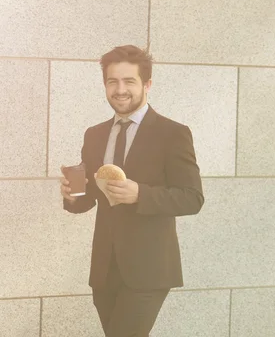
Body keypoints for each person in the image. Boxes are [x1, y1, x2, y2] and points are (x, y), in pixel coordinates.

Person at [60, 45, 204, 337]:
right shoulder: (95, 134)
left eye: (129, 81)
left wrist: (141, 194)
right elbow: (87, 199)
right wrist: (71, 195)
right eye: (112, 81)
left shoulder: (172, 133)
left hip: (148, 270)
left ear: (147, 84)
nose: (120, 89)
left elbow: (192, 197)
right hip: (104, 269)